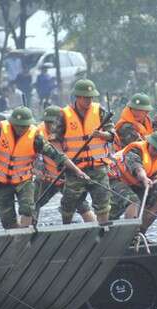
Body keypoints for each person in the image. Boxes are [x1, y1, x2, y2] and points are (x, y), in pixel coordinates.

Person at [0, 107, 89, 229]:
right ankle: (18, 238)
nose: (21, 129)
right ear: (12, 124)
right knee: (8, 223)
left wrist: (77, 171)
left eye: (24, 126)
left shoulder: (35, 137)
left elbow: (58, 156)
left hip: (23, 180)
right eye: (18, 126)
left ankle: (26, 233)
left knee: (28, 209)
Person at [54, 79, 115, 224]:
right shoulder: (64, 114)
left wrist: (102, 135)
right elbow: (54, 140)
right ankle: (66, 228)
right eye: (86, 97)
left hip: (98, 167)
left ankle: (103, 231)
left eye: (91, 97)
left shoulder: (99, 111)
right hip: (75, 168)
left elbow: (112, 134)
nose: (89, 100)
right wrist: (63, 159)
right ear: (78, 97)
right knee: (68, 204)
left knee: (103, 203)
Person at [34, 106, 96, 222]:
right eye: (47, 122)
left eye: (53, 123)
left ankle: (97, 231)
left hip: (68, 176)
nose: (50, 126)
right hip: (48, 177)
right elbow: (33, 158)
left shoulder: (71, 131)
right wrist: (39, 171)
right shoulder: (38, 133)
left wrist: (77, 172)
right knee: (32, 204)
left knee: (82, 205)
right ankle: (29, 232)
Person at [109, 132, 157, 238]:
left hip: (134, 183)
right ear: (149, 143)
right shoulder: (135, 150)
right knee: (132, 201)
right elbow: (137, 168)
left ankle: (138, 235)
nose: (156, 152)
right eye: (154, 149)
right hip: (115, 178)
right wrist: (145, 178)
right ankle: (127, 237)